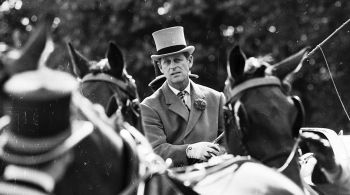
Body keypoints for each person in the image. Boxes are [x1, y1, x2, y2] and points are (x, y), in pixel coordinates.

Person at [140, 26, 226, 167]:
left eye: (177, 60)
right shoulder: (149, 107)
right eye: (167, 62)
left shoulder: (216, 98)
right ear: (161, 68)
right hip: (177, 182)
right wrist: (189, 150)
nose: (173, 66)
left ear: (190, 61)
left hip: (215, 174)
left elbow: (229, 141)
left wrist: (216, 152)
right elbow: (155, 150)